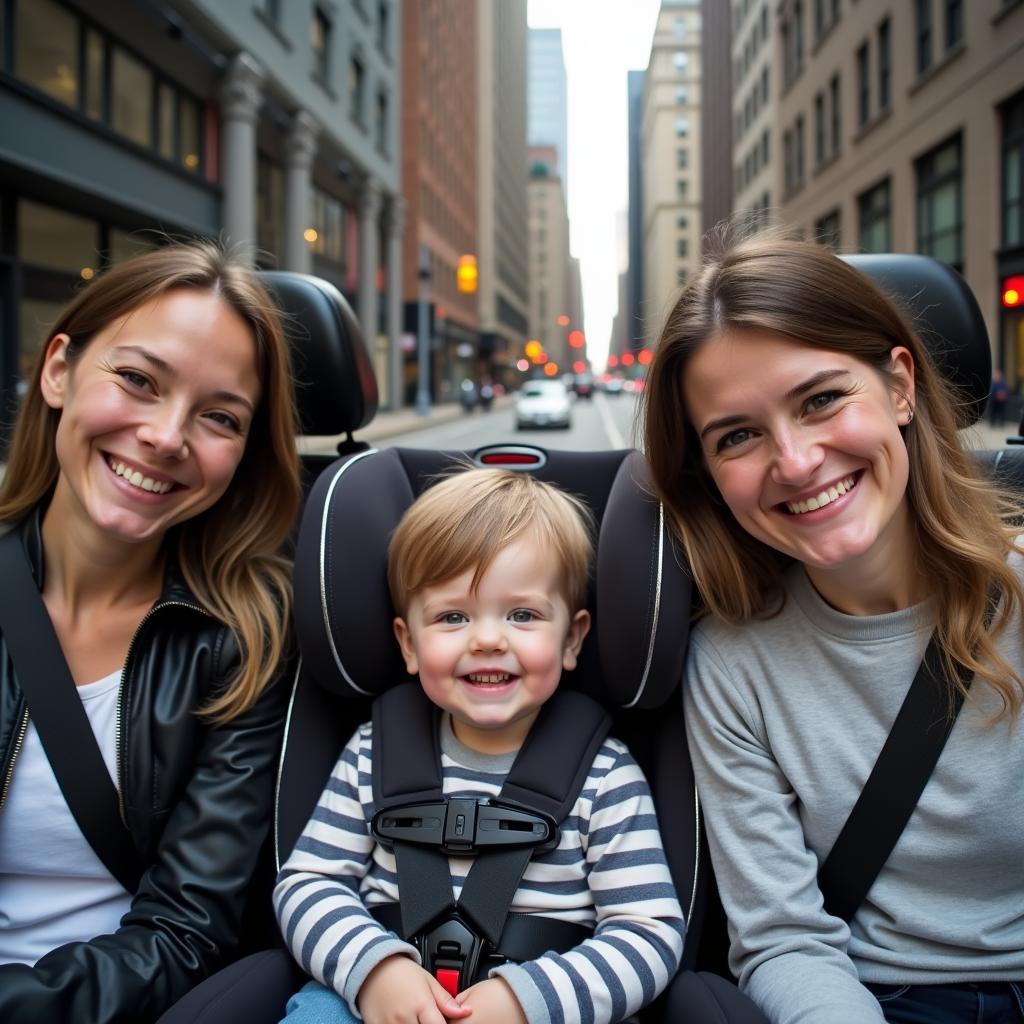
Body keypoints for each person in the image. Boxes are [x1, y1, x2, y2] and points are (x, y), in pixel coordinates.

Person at [642, 234, 1024, 1024]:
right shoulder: (729, 667)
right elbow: (784, 938)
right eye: (737, 436)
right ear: (710, 476)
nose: (795, 460)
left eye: (820, 399)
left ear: (901, 388)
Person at [0, 240, 301, 1022]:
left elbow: (183, 932)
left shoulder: (248, 644)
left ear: (241, 455)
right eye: (138, 380)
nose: (167, 436)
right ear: (59, 369)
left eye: (220, 418)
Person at [273, 468, 684, 1024]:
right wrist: (374, 970)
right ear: (408, 644)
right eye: (452, 616)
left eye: (522, 615)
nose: (487, 638)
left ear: (572, 639)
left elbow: (648, 933)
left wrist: (527, 1000)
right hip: (379, 1001)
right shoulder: (373, 755)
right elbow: (307, 885)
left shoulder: (605, 776)